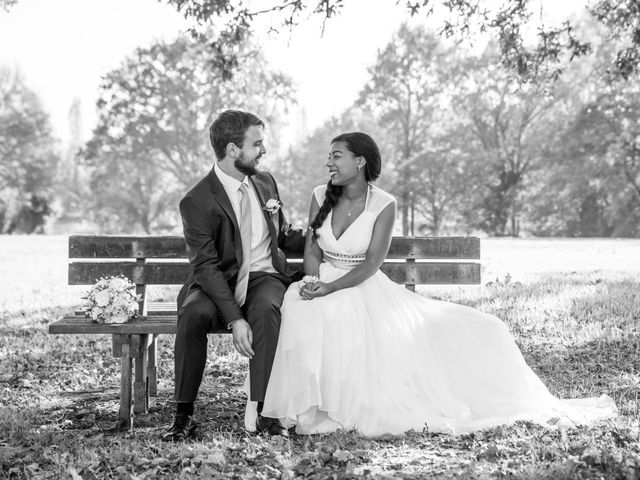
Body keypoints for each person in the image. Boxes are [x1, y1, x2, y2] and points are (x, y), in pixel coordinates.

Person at [261, 131, 617, 436]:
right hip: (320, 279)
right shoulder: (319, 194)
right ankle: (305, 405)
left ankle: (341, 406)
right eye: (329, 157)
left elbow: (372, 263)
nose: (329, 163)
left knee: (479, 328)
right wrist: (312, 281)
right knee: (300, 308)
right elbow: (312, 248)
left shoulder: (384, 204)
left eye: (336, 156)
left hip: (359, 284)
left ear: (360, 162)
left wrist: (333, 288)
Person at [162, 110, 305, 441]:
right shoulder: (196, 201)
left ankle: (266, 412)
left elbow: (282, 233)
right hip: (216, 282)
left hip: (262, 278)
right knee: (194, 313)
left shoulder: (265, 181)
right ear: (231, 149)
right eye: (257, 144)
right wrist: (235, 319)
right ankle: (183, 414)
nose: (263, 150)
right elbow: (206, 267)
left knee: (268, 308)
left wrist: (326, 233)